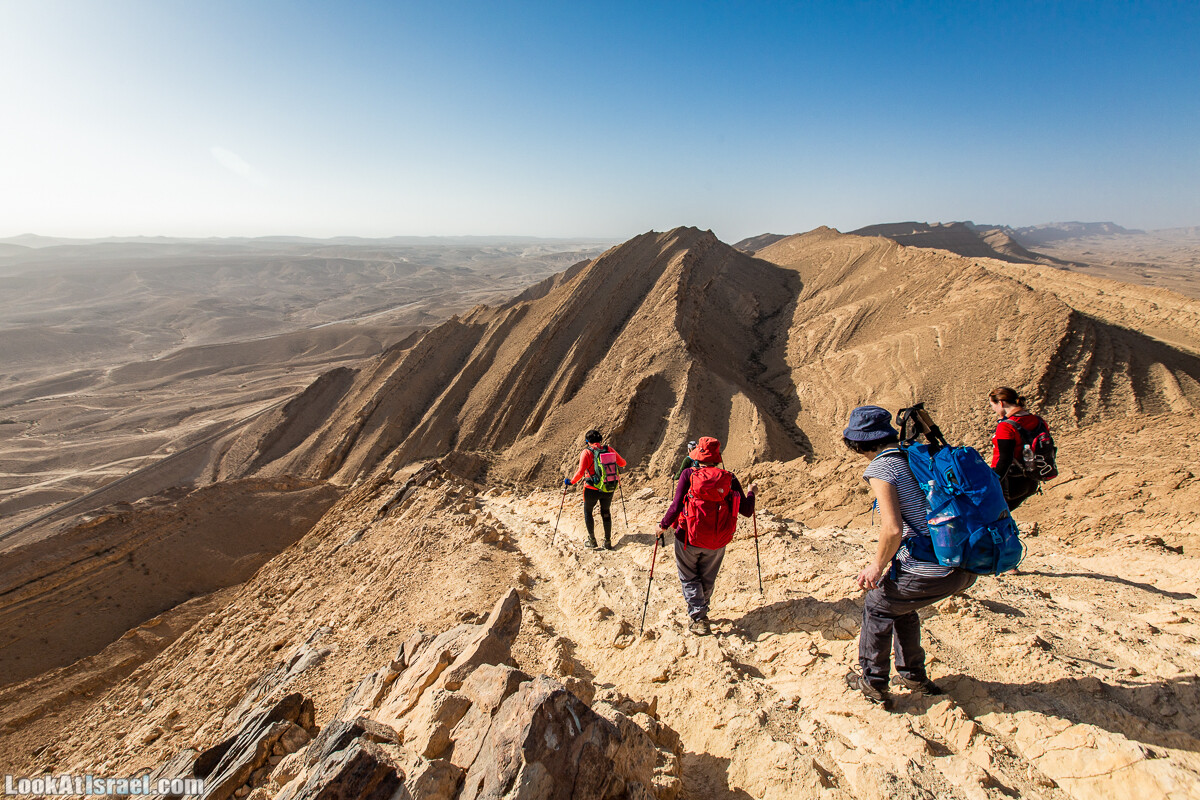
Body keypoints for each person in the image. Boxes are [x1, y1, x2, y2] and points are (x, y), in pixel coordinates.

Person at [842, 406, 976, 706]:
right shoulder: (914, 455)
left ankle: (873, 682)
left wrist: (876, 566)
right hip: (963, 559)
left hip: (934, 565)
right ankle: (912, 674)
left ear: (858, 443)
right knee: (900, 604)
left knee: (877, 605)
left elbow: (892, 529)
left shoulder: (881, 468)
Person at [658, 437, 756, 636]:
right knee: (707, 578)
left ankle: (699, 617)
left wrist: (663, 526)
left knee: (689, 577)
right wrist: (752, 492)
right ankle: (702, 609)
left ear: (699, 455)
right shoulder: (729, 477)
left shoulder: (688, 474)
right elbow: (746, 511)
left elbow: (676, 506)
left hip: (688, 538)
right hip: (718, 540)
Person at [987, 387, 1049, 511]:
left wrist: (992, 484)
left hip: (1010, 484)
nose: (993, 409)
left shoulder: (1006, 426)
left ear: (1001, 403)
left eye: (992, 405)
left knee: (989, 520)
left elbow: (1005, 460)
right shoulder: (1038, 420)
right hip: (1031, 481)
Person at [564, 429, 627, 550]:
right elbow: (623, 463)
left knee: (588, 511)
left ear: (587, 441)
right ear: (600, 439)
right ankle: (607, 542)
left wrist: (571, 482)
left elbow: (581, 472)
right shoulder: (609, 449)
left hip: (591, 488)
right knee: (605, 512)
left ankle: (592, 541)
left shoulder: (586, 452)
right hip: (608, 487)